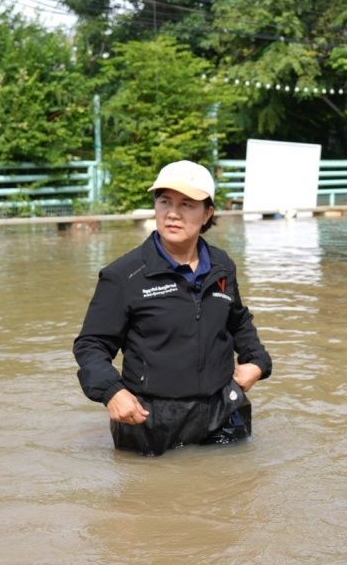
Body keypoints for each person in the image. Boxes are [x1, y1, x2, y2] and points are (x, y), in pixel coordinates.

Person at [74, 160, 272, 456]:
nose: (173, 213)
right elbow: (91, 345)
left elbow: (238, 321)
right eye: (165, 201)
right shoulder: (124, 275)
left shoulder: (221, 266)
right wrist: (112, 392)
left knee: (234, 481)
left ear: (208, 213)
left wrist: (257, 362)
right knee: (151, 487)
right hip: (151, 420)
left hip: (223, 410)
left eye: (187, 204)